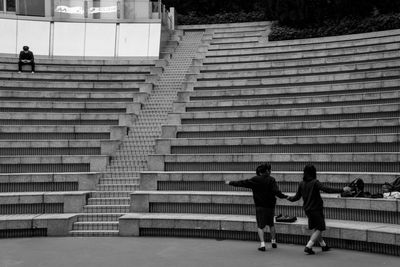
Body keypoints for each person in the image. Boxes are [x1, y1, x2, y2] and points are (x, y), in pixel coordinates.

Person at [287, 164, 350, 255]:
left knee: (317, 227)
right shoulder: (315, 182)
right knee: (320, 228)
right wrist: (342, 189)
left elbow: (296, 197)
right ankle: (308, 246)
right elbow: (327, 189)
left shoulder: (301, 183)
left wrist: (288, 198)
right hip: (316, 208)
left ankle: (323, 245)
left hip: (307, 209)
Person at [225, 163, 288, 251]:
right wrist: (285, 196)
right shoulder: (272, 179)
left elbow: (242, 183)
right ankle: (273, 241)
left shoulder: (255, 179)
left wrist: (230, 182)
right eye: (269, 170)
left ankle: (262, 244)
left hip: (260, 206)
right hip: (270, 206)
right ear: (266, 171)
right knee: (271, 224)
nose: (270, 171)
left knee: (260, 226)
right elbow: (277, 192)